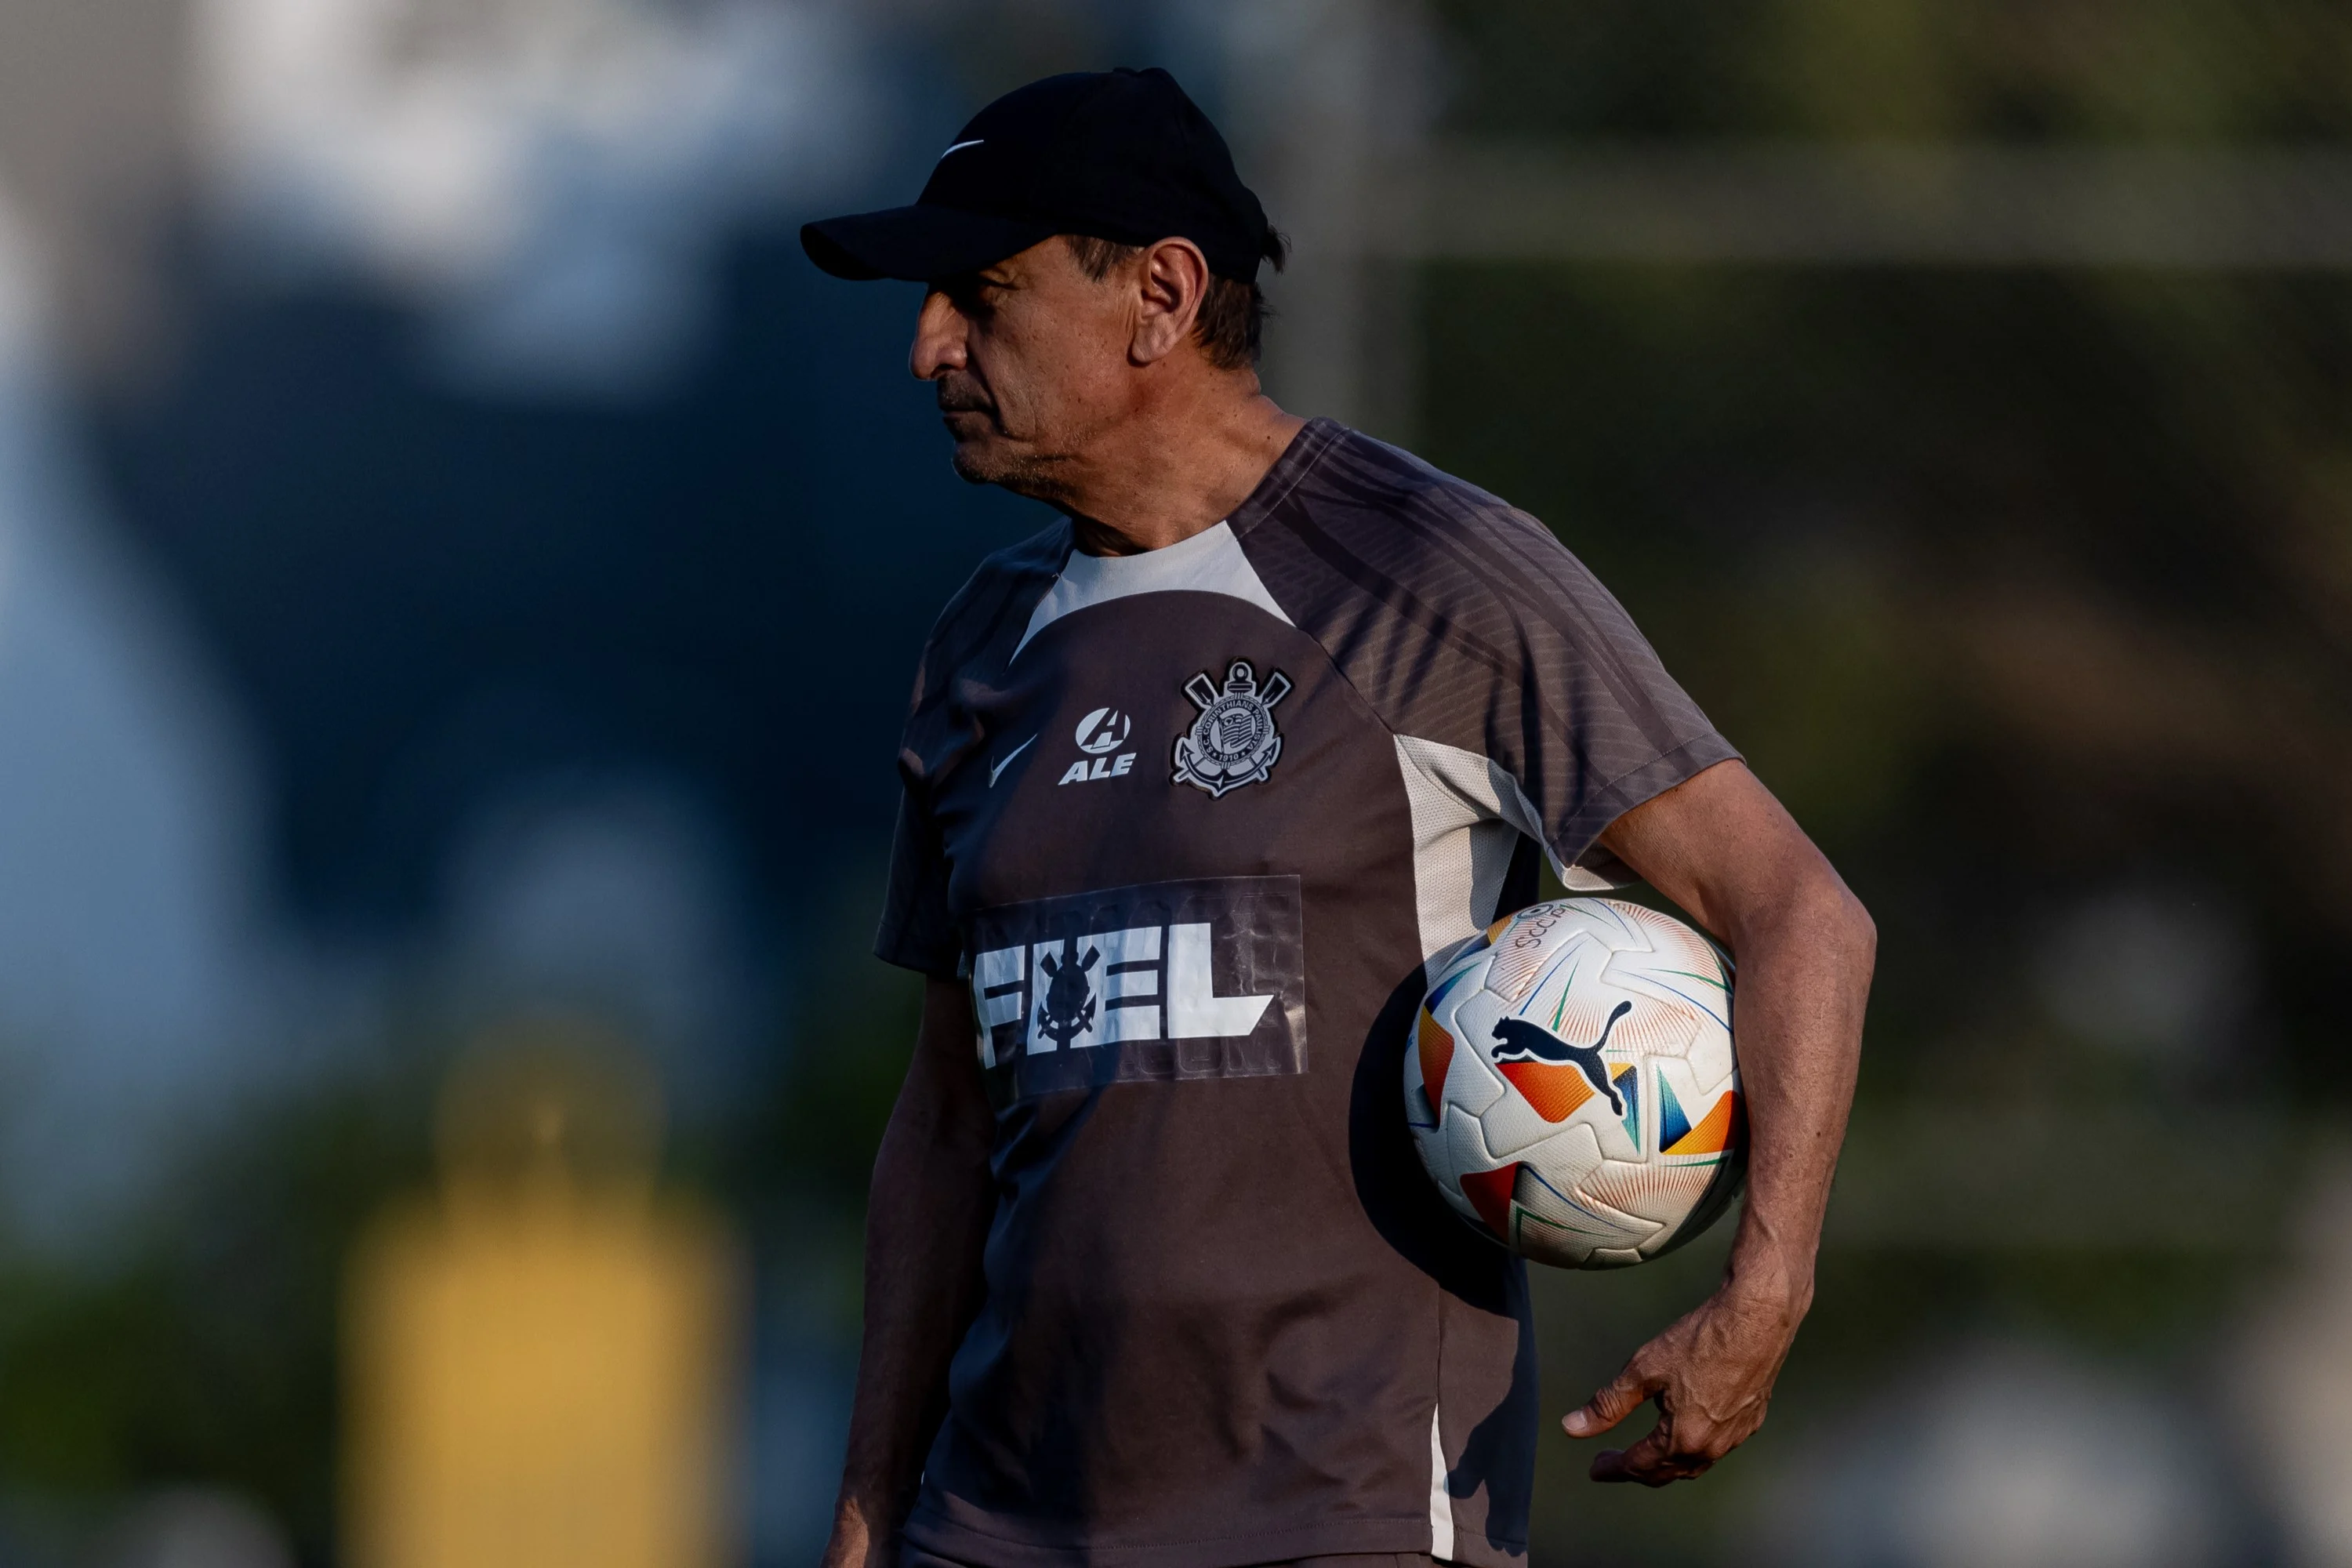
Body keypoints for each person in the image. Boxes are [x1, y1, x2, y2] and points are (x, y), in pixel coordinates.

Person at [800, 67, 1874, 1568]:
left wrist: (1764, 1293)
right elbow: (943, 1123)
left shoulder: (1434, 572)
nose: (929, 347)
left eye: (980, 294)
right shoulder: (981, 650)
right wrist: (868, 1513)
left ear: (1160, 296)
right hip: (997, 1524)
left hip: (1340, 1518)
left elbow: (1801, 912)